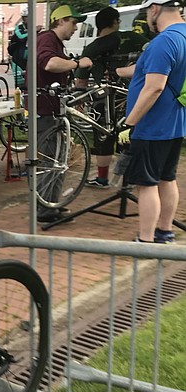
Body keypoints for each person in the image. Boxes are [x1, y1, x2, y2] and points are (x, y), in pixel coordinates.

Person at [120, 0, 186, 243]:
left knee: (146, 184)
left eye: (147, 11)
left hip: (151, 126)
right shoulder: (184, 35)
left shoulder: (164, 41)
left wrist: (130, 122)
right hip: (176, 122)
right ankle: (164, 232)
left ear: (155, 9)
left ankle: (145, 240)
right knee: (167, 178)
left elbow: (154, 88)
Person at [74, 7, 149, 189]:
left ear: (98, 25)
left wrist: (80, 100)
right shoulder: (133, 38)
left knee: (103, 137)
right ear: (116, 21)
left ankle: (102, 179)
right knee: (129, 134)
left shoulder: (91, 48)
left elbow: (81, 81)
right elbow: (151, 50)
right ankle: (129, 180)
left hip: (103, 98)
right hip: (131, 96)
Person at [34, 5, 93, 223]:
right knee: (52, 160)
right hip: (45, 110)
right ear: (60, 20)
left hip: (52, 109)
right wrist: (77, 63)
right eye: (73, 22)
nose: (76, 28)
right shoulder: (47, 40)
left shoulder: (54, 42)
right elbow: (49, 63)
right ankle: (45, 209)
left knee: (58, 160)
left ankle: (51, 204)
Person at [9, 6, 43, 87]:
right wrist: (33, 31)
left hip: (29, 61)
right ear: (24, 19)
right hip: (18, 61)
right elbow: (20, 37)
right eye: (28, 17)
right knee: (20, 86)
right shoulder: (19, 27)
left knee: (32, 85)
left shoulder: (33, 28)